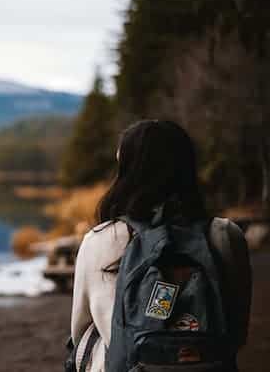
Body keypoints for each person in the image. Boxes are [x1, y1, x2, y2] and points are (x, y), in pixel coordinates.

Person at [69, 120, 252, 372]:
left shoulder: (101, 239)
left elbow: (79, 330)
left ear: (127, 170)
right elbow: (237, 332)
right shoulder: (226, 235)